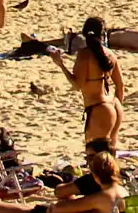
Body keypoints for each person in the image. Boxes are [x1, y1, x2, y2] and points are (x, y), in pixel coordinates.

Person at [51, 17, 124, 149]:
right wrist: (117, 109)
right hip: (114, 105)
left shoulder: (84, 55)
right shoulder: (110, 54)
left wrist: (61, 65)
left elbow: (77, 85)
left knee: (95, 156)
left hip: (98, 108)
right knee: (111, 158)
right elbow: (120, 86)